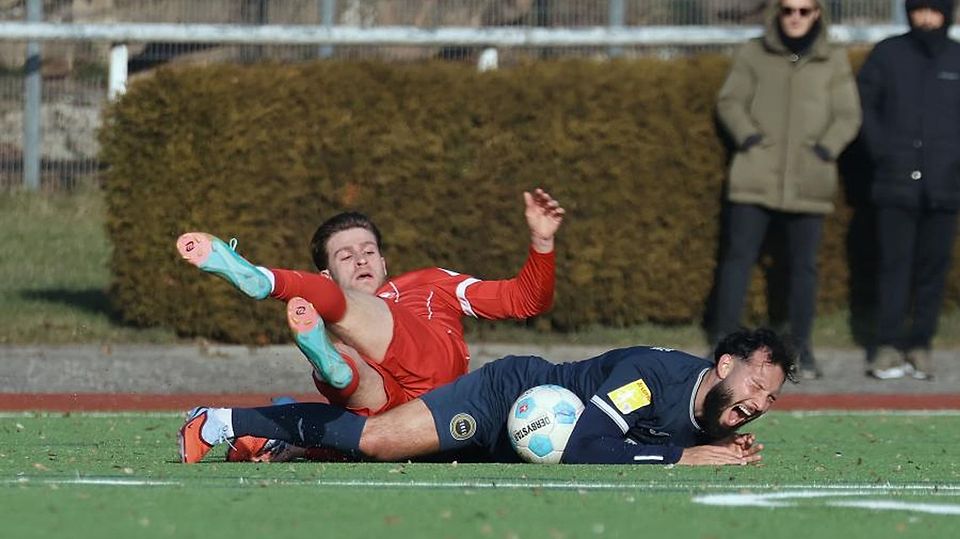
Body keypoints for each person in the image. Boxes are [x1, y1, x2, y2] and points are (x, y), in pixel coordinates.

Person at [177, 188, 563, 460]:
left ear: (384, 263)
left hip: (438, 384)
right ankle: (332, 365)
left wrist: (541, 243)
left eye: (369, 252)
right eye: (346, 255)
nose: (362, 260)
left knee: (356, 332)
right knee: (344, 363)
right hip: (383, 415)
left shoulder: (429, 283)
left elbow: (525, 300)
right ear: (325, 277)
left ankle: (268, 281)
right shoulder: (333, 321)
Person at [179, 327, 797, 466]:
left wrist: (729, 439)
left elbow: (691, 428)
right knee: (379, 440)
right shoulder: (650, 377)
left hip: (524, 443)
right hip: (510, 398)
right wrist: (681, 459)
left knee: (401, 455)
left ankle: (279, 439)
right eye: (753, 386)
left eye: (769, 400)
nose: (758, 402)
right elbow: (584, 444)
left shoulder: (712, 403)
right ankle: (224, 419)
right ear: (722, 366)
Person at [713, 0, 861, 380]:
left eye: (805, 10)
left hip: (809, 179)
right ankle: (725, 345)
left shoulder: (833, 59)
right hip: (755, 175)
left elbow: (848, 115)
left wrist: (825, 149)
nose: (795, 17)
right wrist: (749, 139)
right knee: (737, 260)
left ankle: (800, 348)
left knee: (803, 268)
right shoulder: (753, 52)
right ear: (776, 13)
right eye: (788, 10)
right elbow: (730, 101)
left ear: (817, 14)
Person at [858, 1, 960, 381]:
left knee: (933, 269)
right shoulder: (888, 54)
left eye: (935, 10)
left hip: (946, 188)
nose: (927, 19)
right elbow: (866, 111)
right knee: (893, 268)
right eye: (919, 10)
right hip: (895, 184)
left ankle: (921, 344)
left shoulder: (956, 58)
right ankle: (886, 345)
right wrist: (885, 154)